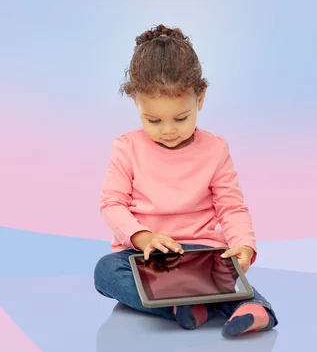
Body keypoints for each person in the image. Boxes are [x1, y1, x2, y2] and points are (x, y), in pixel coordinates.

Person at [93, 24, 278, 338]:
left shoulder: (215, 149)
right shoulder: (126, 147)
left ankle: (254, 310)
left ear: (200, 99)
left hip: (202, 253)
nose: (168, 130)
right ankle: (181, 306)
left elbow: (231, 207)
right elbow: (112, 204)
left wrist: (243, 245)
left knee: (226, 274)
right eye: (153, 120)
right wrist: (142, 237)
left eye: (181, 118)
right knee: (105, 271)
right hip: (145, 256)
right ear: (136, 103)